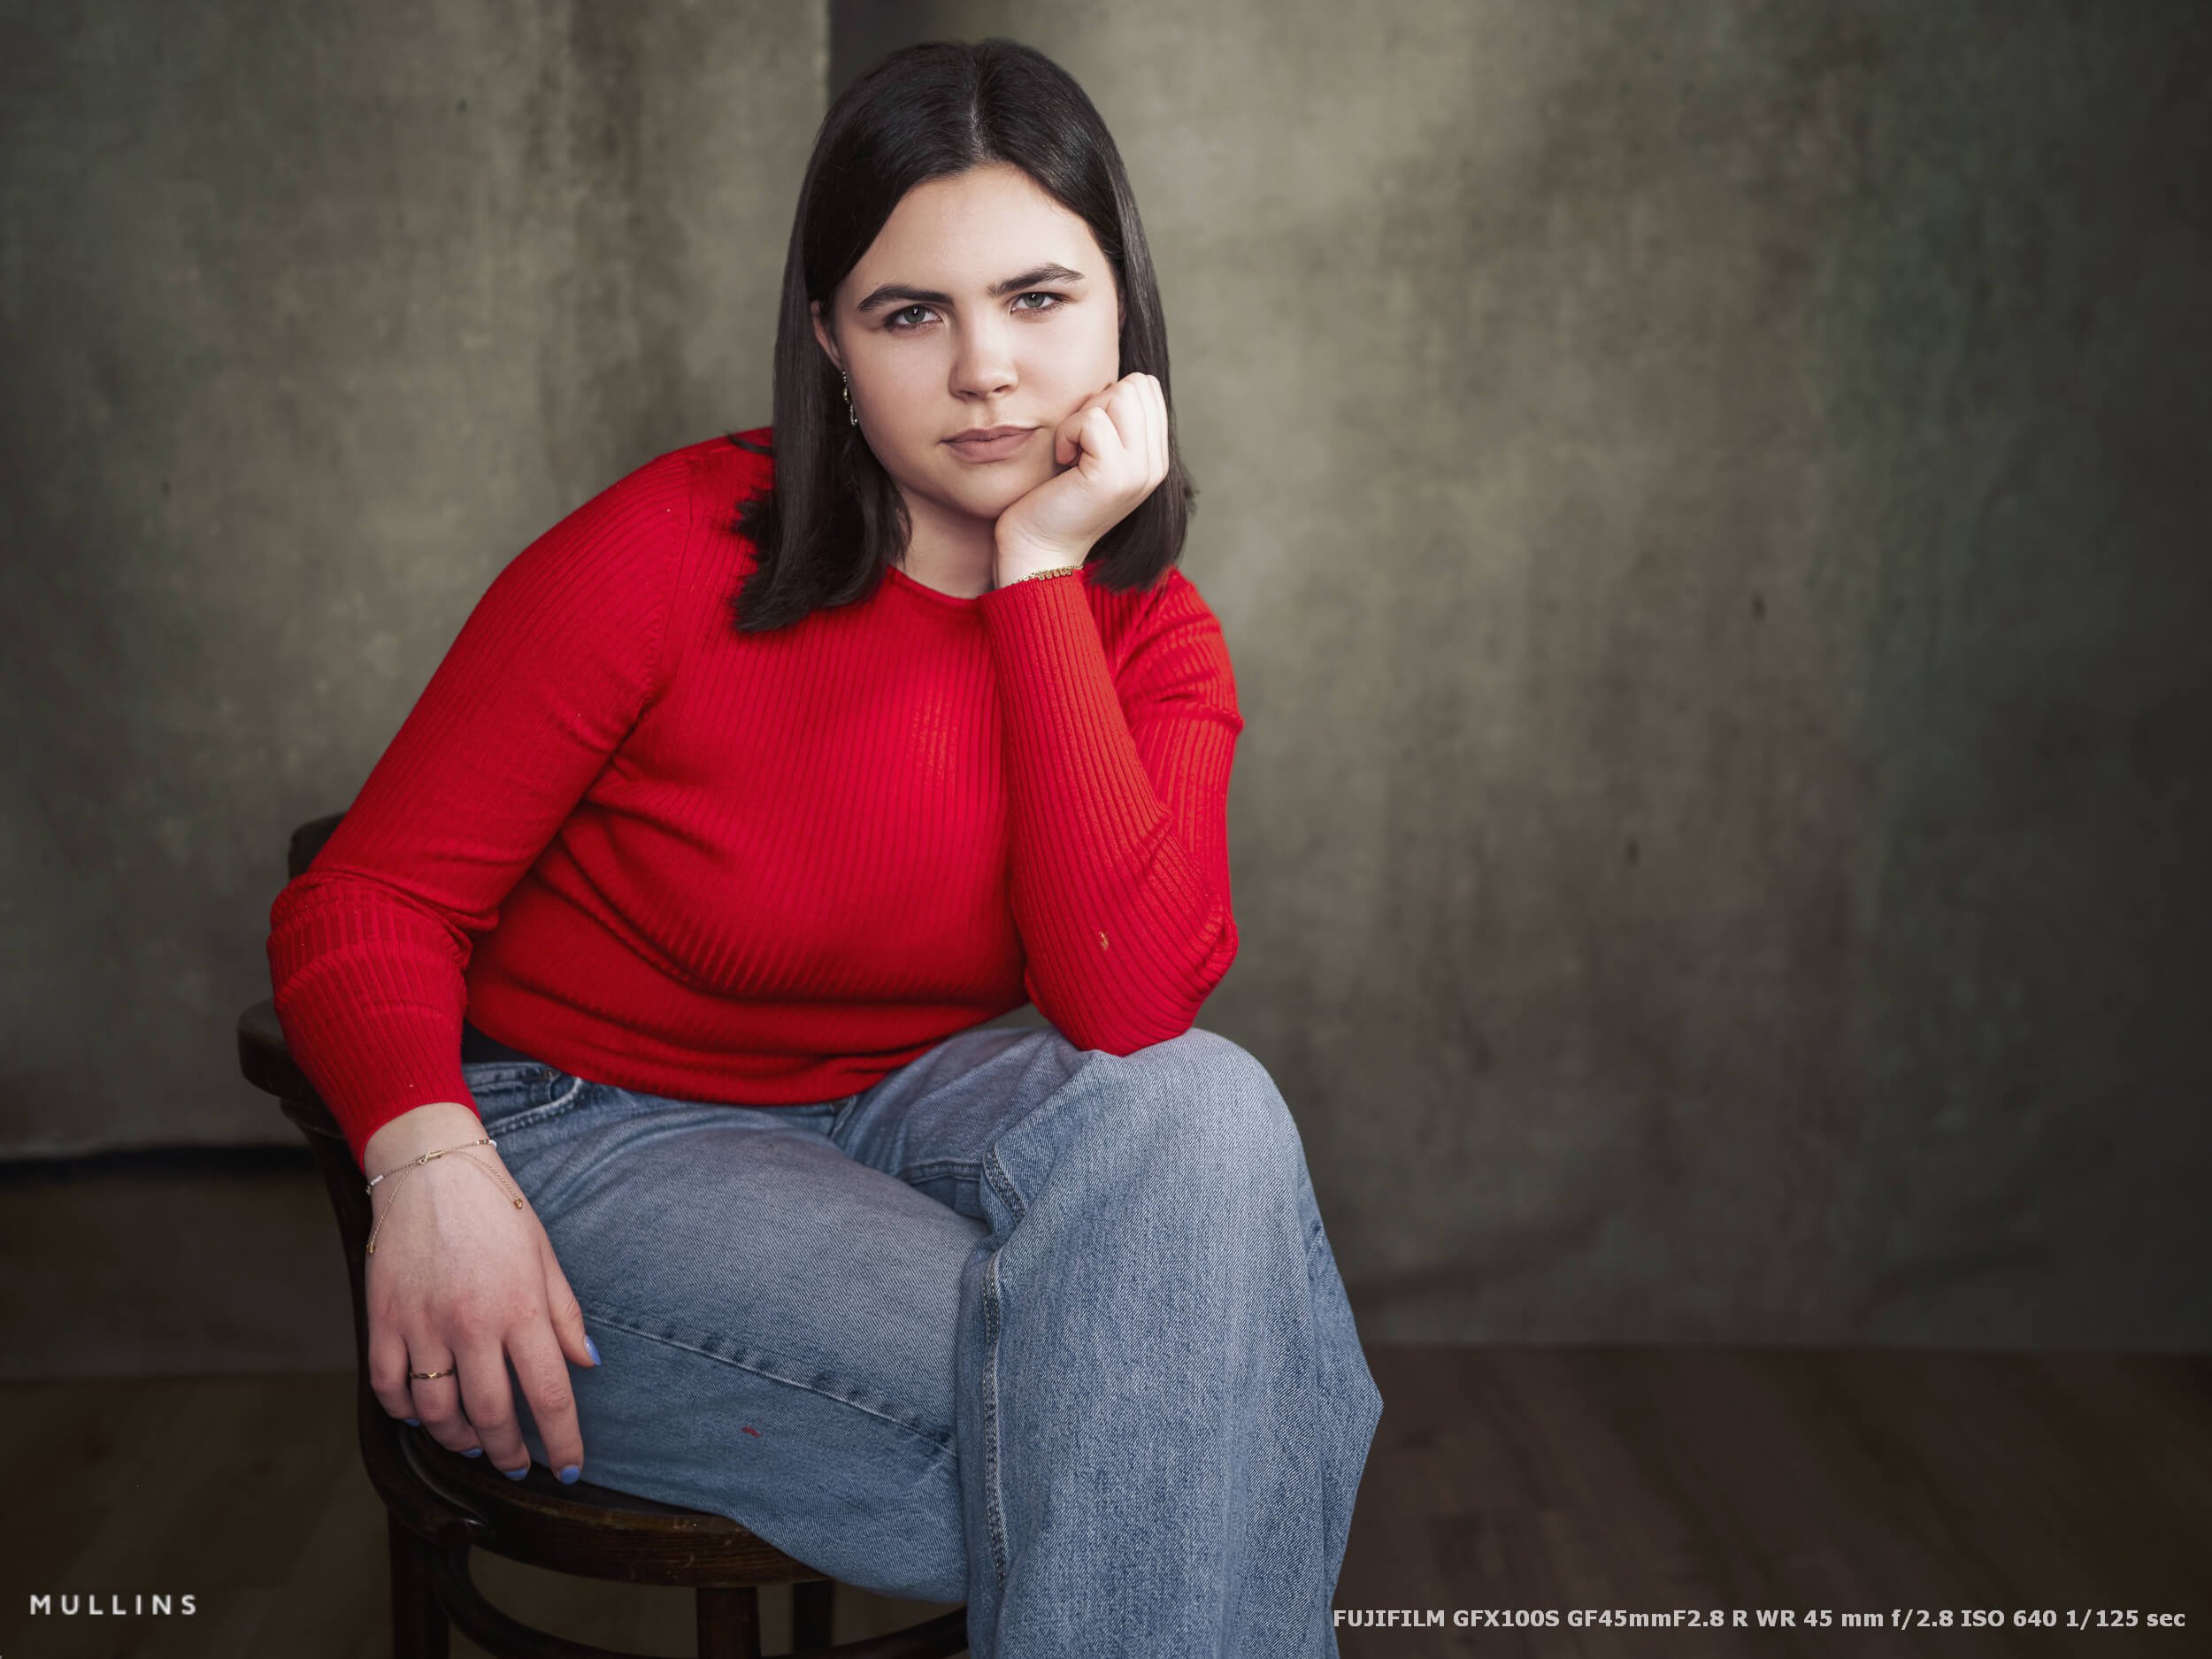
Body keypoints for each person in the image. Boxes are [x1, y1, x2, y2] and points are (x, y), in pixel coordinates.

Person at [266, 37, 1381, 1659]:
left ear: (1123, 313)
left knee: (1203, 1116)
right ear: (828, 344)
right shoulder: (670, 549)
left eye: (1040, 299)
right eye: (910, 314)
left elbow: (1127, 1005)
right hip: (587, 1135)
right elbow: (364, 896)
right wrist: (428, 1168)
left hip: (899, 1103)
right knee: (1190, 1385)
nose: (988, 372)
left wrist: (1041, 583)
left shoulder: (1150, 640)